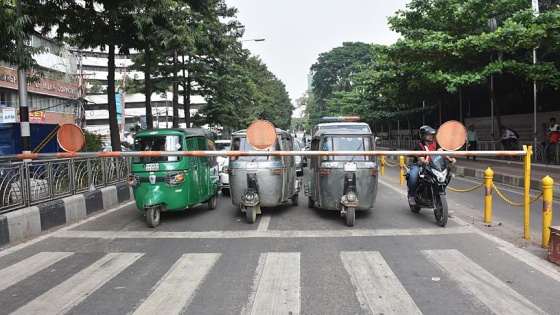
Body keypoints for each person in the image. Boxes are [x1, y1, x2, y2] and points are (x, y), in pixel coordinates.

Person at [407, 125, 456, 206]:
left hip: (432, 166)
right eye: (428, 135)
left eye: (431, 135)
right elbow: (421, 158)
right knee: (413, 176)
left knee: (446, 175)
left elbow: (442, 153)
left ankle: (436, 194)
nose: (430, 137)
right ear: (422, 136)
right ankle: (411, 196)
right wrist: (423, 160)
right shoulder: (419, 145)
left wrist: (450, 159)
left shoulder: (435, 144)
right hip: (419, 165)